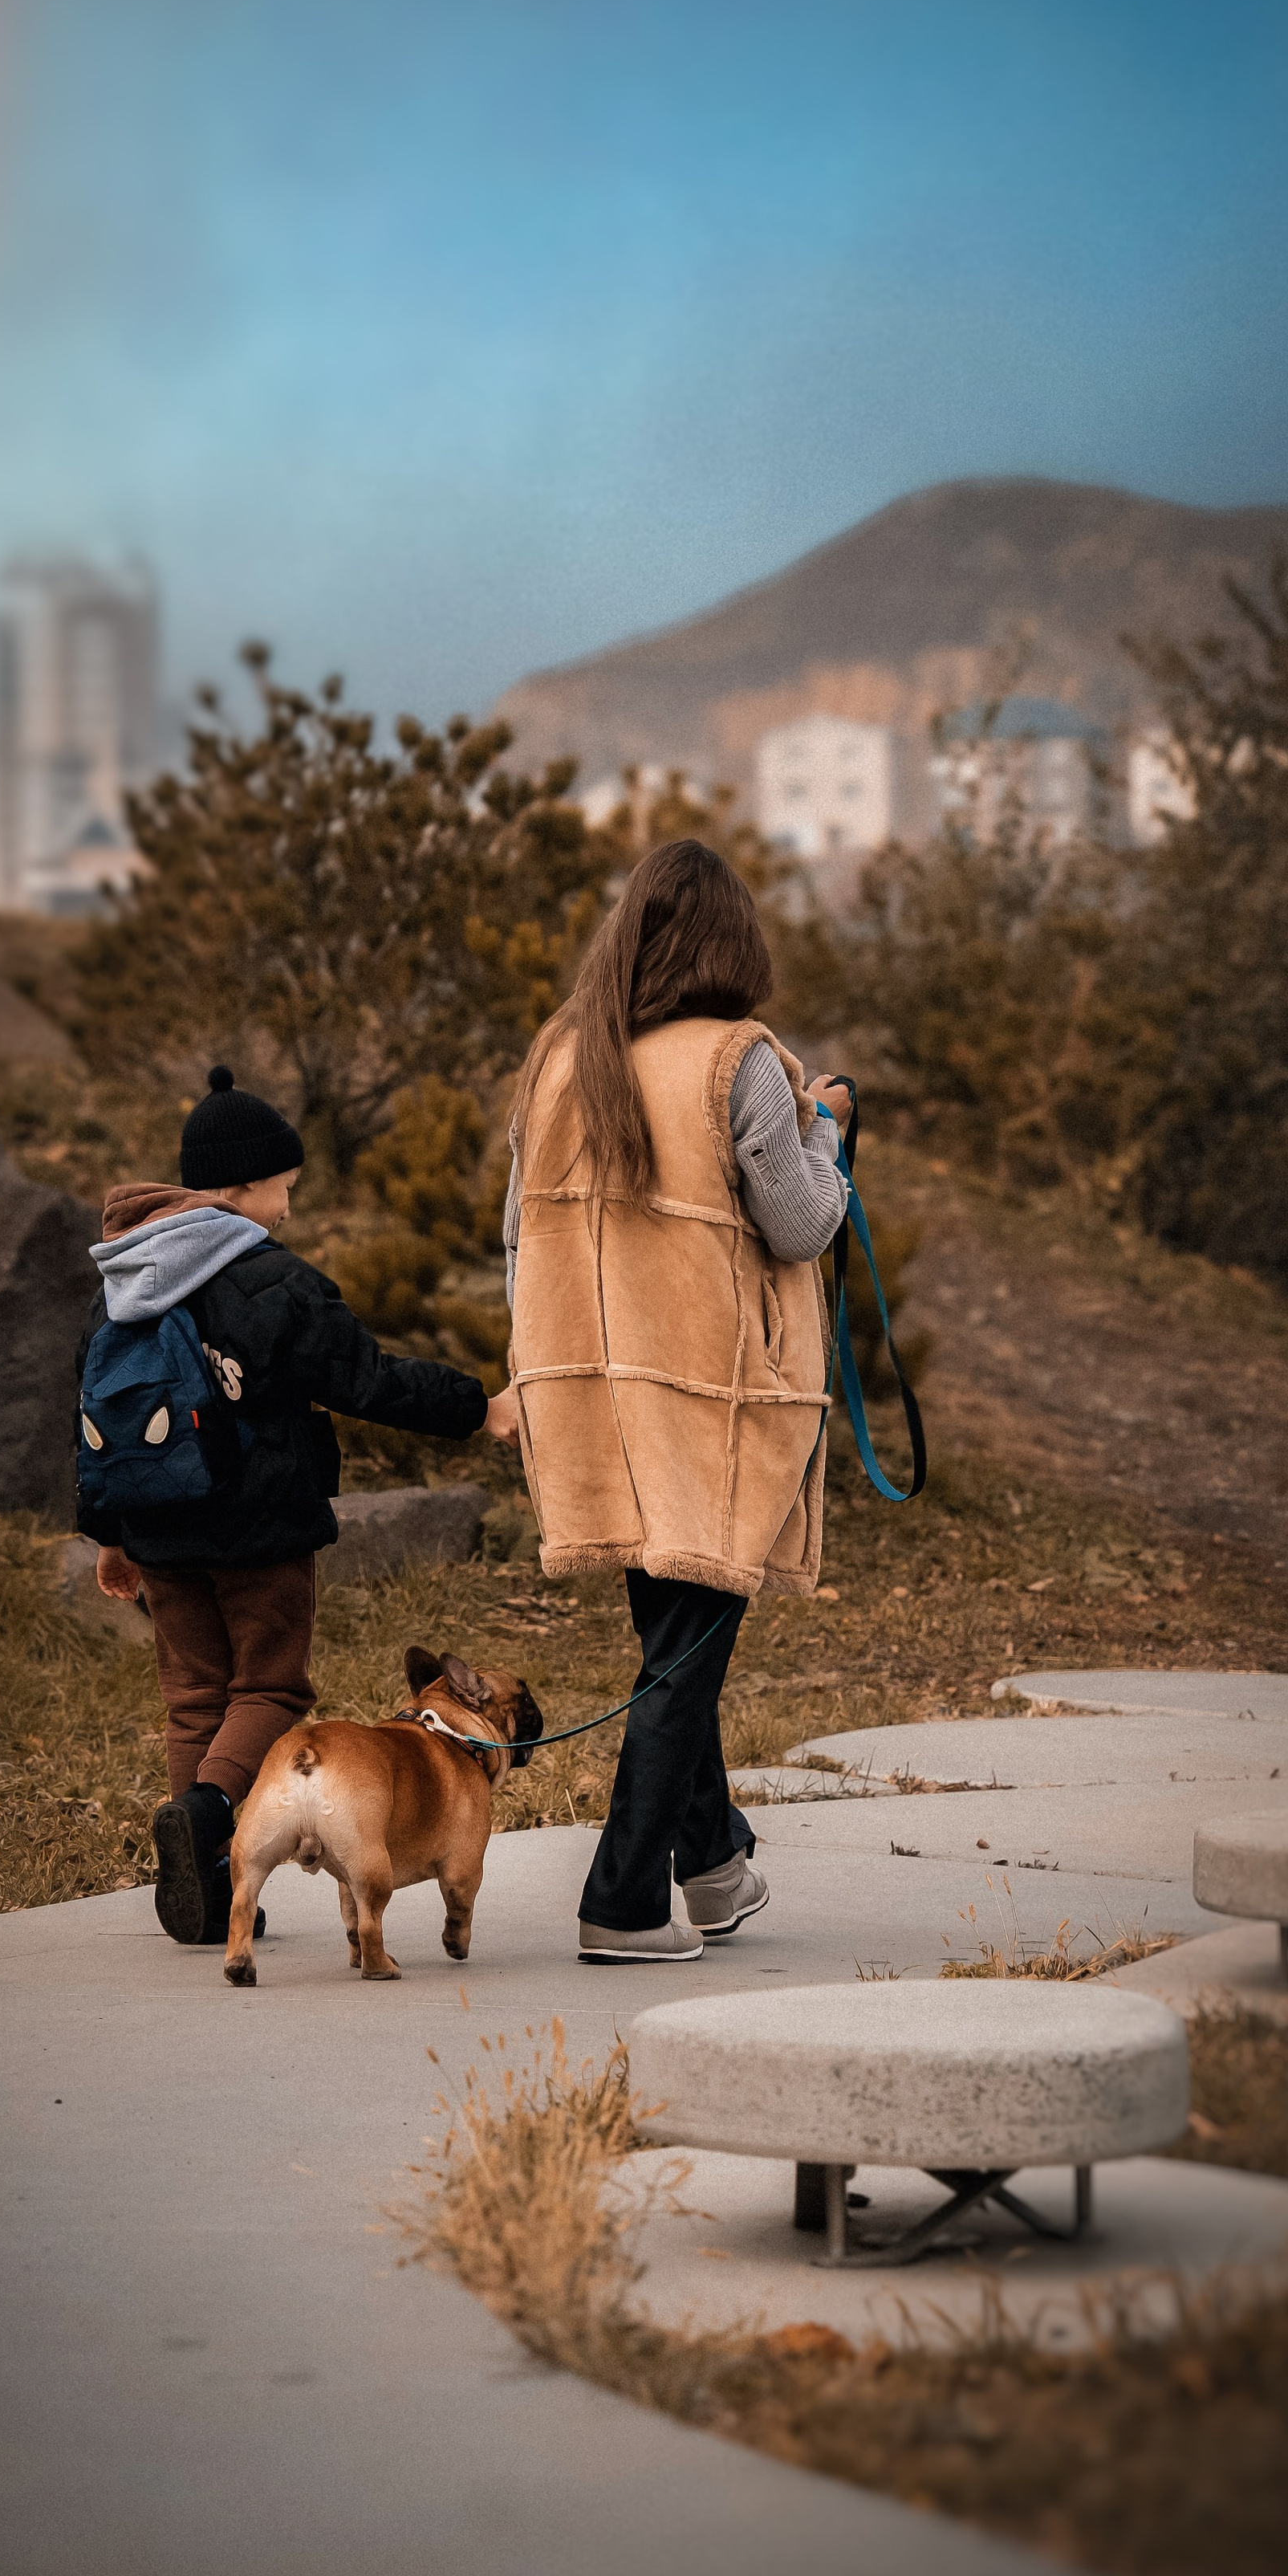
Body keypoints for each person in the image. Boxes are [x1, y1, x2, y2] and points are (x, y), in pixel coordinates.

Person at [502, 839, 851, 1961]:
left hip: (596, 1396)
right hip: (714, 1405)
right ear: (733, 942)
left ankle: (711, 1870)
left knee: (674, 1645)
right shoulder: (740, 1062)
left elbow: (520, 1236)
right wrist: (826, 1130)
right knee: (685, 1654)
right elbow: (800, 1224)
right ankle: (621, 1902)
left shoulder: (562, 1056)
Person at [81, 1065, 514, 1946]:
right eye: (285, 1186)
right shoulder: (272, 1281)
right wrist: (481, 1406)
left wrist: (109, 1533)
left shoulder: (124, 1279)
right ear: (242, 1183)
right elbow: (369, 1380)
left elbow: (96, 1410)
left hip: (156, 1526)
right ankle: (208, 1818)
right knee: (271, 1687)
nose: (287, 1204)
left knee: (196, 1698)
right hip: (257, 1525)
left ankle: (204, 1884)